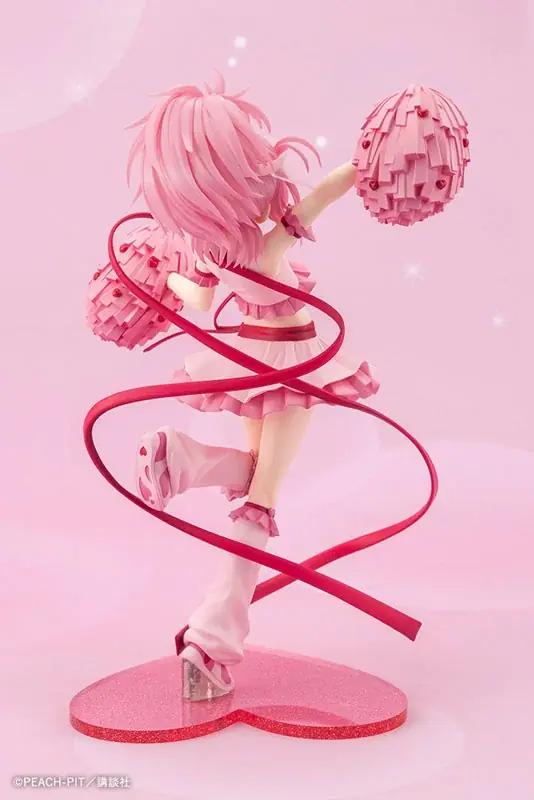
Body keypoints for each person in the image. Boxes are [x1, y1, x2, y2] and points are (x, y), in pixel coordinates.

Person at [128, 75, 380, 700]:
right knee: (262, 499)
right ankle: (212, 641)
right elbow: (325, 191)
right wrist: (373, 157)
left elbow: (195, 298)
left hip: (250, 360)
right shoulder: (269, 246)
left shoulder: (212, 255)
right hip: (292, 361)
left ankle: (184, 460)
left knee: (256, 477)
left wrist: (157, 279)